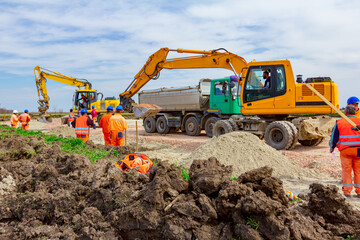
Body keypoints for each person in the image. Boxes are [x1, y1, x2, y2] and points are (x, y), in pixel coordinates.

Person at [329, 105, 360, 198]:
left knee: (346, 171)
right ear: (355, 112)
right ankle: (359, 192)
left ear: (345, 112)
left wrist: (332, 147)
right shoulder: (359, 122)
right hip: (358, 150)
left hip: (345, 150)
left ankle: (347, 192)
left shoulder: (340, 122)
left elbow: (334, 137)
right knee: (358, 171)